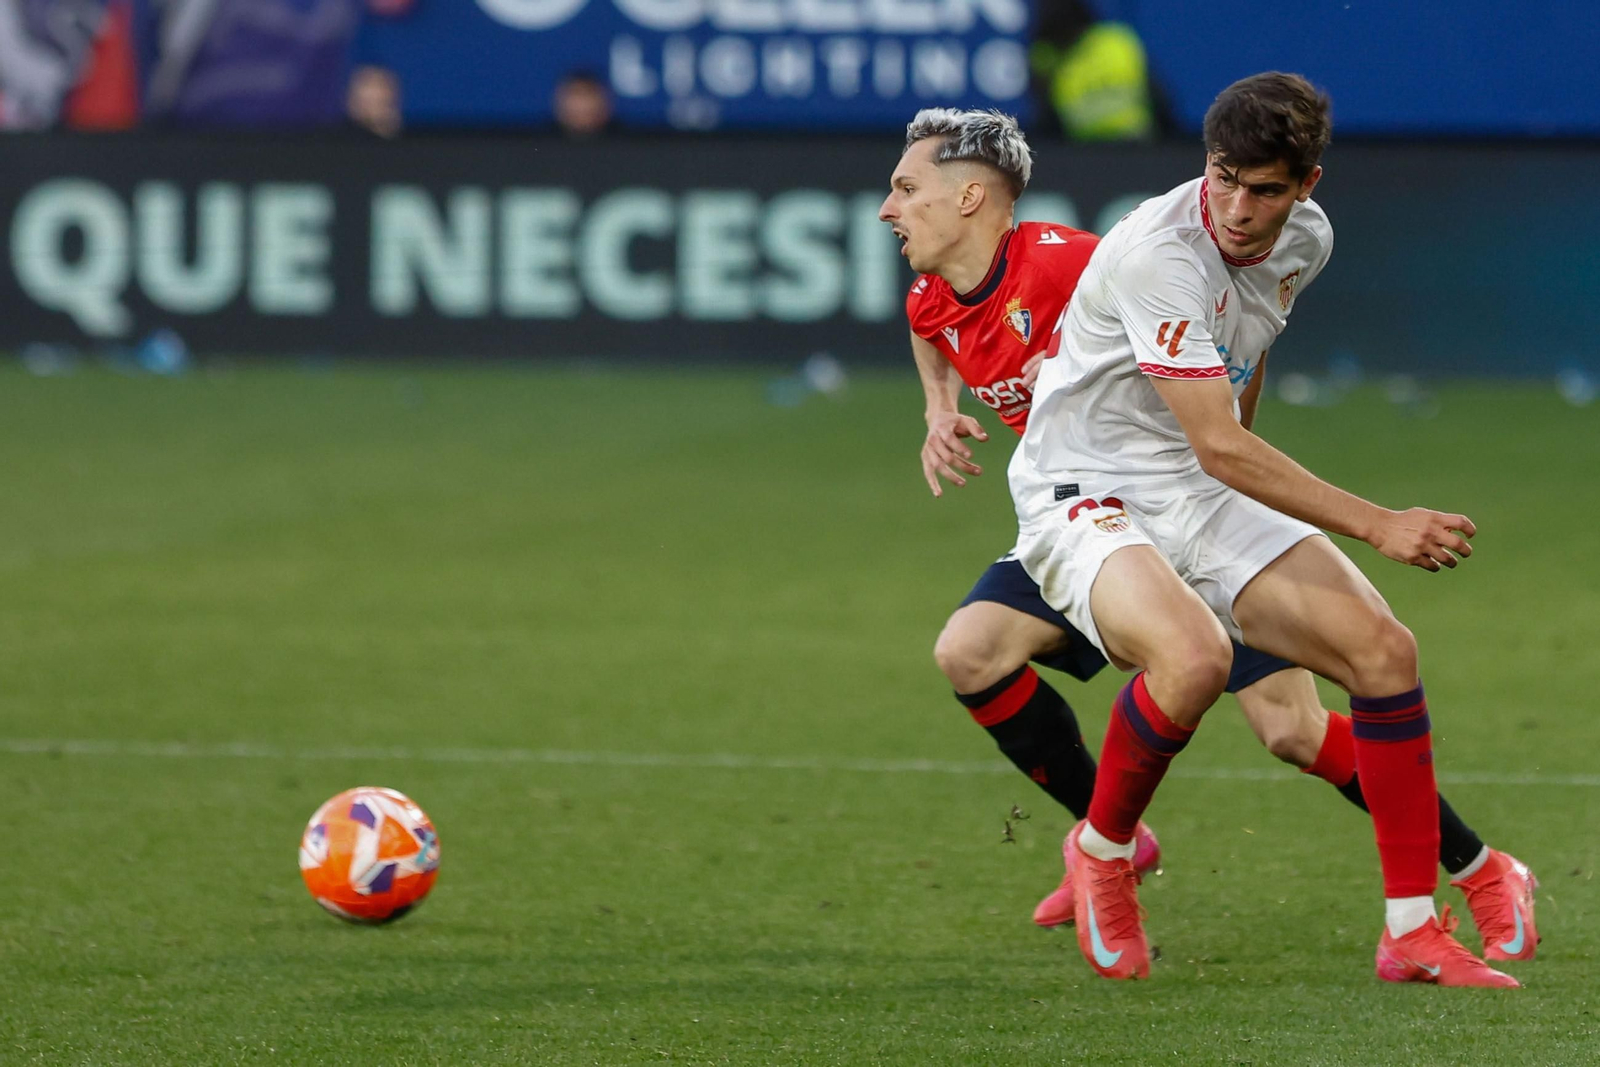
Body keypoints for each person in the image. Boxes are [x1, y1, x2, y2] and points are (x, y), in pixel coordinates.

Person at [879, 108, 1539, 960]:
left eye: (904, 187)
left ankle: (1476, 867)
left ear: (968, 194)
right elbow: (931, 327)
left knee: (1294, 726)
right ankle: (1110, 839)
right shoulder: (936, 287)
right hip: (1088, 495)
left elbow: (1236, 342)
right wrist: (940, 410)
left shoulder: (1081, 261)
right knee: (973, 652)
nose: (889, 207)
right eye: (1224, 178)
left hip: (1182, 483)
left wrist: (1235, 457)